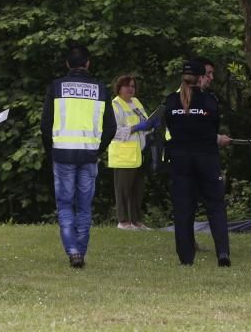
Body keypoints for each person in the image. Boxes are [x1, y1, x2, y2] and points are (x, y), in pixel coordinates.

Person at [40, 45, 118, 268]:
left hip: (62, 153)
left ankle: (72, 251)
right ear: (88, 63)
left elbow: (45, 125)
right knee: (84, 206)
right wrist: (97, 149)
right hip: (88, 154)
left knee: (65, 204)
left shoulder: (57, 87)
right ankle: (81, 251)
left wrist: (51, 151)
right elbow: (111, 127)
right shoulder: (100, 89)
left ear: (67, 64)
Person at [164, 59, 231, 267]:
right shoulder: (209, 101)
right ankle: (222, 252)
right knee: (216, 206)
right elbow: (212, 129)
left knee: (184, 209)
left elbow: (170, 128)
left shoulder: (171, 101)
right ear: (201, 77)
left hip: (180, 161)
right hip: (207, 159)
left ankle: (185, 257)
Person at [109, 74, 159, 230]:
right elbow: (114, 131)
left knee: (138, 189)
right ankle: (123, 222)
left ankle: (136, 221)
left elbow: (144, 121)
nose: (130, 89)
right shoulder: (115, 105)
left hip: (139, 152)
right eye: (127, 86)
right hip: (124, 153)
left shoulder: (136, 102)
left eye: (132, 86)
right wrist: (136, 128)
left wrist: (151, 124)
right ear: (119, 88)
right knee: (123, 189)